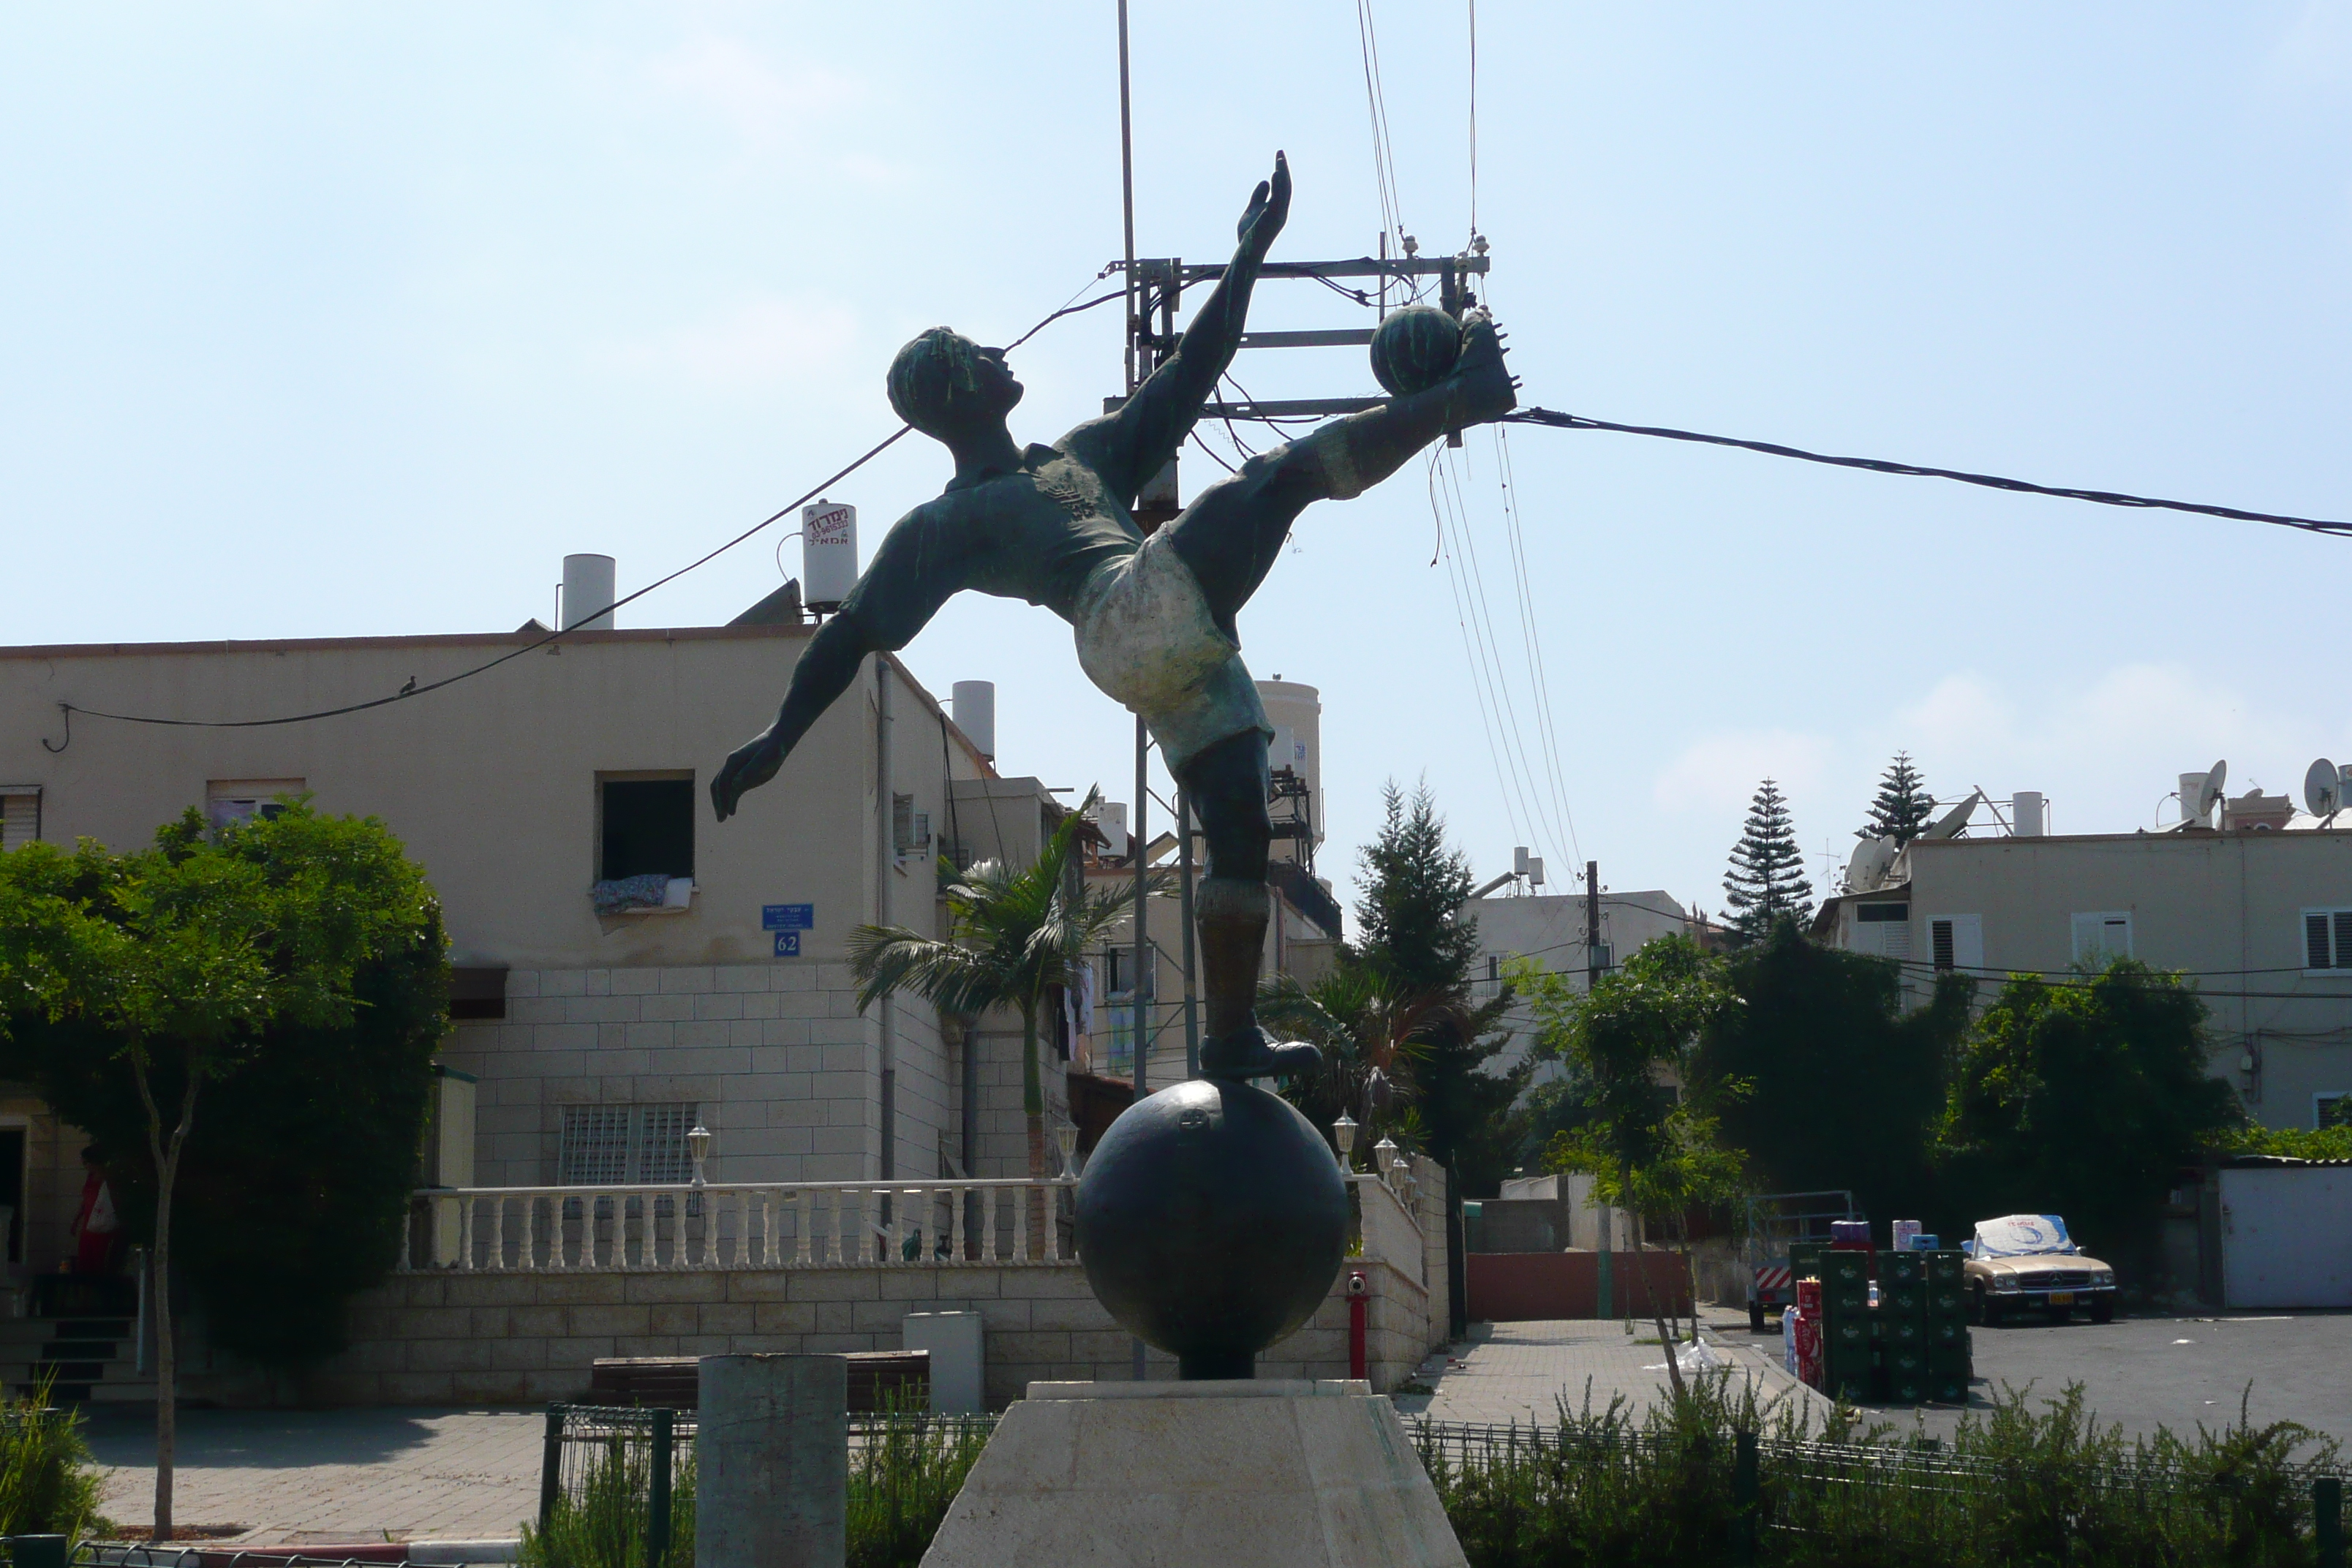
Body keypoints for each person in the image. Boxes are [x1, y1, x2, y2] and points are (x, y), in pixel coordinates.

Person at [712, 152, 1516, 1080]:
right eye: (978, 354)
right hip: (1125, 613)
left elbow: (1194, 366)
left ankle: (1228, 1039)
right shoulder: (942, 524)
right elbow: (848, 634)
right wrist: (779, 733)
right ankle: (1465, 395)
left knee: (1241, 829)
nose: (998, 353)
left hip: (1173, 651)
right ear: (956, 394)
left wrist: (1248, 254)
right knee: (1271, 479)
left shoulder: (1082, 455)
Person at [69, 1145, 118, 1275]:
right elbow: (85, 1201)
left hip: (102, 1224)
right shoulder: (90, 1178)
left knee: (99, 1262)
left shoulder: (107, 1179)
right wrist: (76, 1220)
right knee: (85, 1262)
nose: (85, 1166)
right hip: (88, 1225)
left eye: (86, 1162)